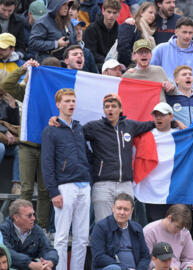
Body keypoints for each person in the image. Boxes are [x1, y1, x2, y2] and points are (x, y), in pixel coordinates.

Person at [1, 58, 59, 231]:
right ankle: (20, 226)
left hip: (47, 146)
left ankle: (40, 229)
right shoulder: (28, 90)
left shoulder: (59, 95)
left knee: (44, 190)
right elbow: (7, 84)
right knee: (26, 189)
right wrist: (23, 68)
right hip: (27, 145)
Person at [80, 93, 156, 222]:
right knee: (103, 225)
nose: (110, 109)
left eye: (114, 106)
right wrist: (91, 158)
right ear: (104, 110)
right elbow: (74, 135)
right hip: (103, 184)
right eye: (107, 106)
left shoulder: (130, 125)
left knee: (124, 225)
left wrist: (174, 122)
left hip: (125, 184)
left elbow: (151, 124)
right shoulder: (94, 127)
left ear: (120, 109)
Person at [41, 88, 90, 270]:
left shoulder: (79, 128)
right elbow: (47, 164)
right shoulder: (50, 131)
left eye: (73, 101)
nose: (71, 104)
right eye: (67, 101)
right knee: (61, 237)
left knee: (82, 238)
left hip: (84, 185)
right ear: (58, 104)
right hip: (64, 187)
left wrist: (88, 173)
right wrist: (53, 192)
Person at [91, 193, 151, 270]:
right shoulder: (101, 227)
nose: (122, 213)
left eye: (126, 209)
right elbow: (99, 257)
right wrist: (125, 268)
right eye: (119, 208)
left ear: (132, 210)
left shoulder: (137, 228)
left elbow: (145, 255)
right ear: (113, 208)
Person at [0, 199, 58, 269]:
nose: (33, 218)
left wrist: (50, 261)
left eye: (33, 214)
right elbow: (7, 253)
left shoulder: (36, 229)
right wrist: (29, 263)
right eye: (29, 215)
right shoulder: (3, 229)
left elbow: (48, 250)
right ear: (16, 217)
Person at [151, 17, 193, 90]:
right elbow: (148, 70)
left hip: (186, 97)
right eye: (184, 32)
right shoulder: (161, 49)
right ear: (176, 32)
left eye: (190, 33)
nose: (187, 36)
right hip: (163, 93)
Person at [143, 204, 193, 270]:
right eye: (177, 227)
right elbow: (145, 261)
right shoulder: (149, 231)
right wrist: (167, 268)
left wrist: (189, 267)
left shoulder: (184, 232)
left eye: (182, 228)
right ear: (169, 218)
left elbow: (191, 259)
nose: (179, 231)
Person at [117, 2, 157, 67]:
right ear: (141, 12)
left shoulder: (151, 32)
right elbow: (123, 49)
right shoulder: (131, 25)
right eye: (150, 12)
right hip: (128, 67)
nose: (153, 16)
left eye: (154, 14)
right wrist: (134, 65)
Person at [84, 0, 120, 71]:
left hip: (115, 64)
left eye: (114, 13)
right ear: (103, 11)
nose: (111, 16)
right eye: (109, 12)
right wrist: (109, 62)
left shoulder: (120, 30)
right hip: (96, 65)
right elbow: (91, 53)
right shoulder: (91, 29)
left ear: (118, 13)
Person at [0, 84, 19, 194]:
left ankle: (17, 185)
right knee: (0, 148)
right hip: (1, 142)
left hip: (8, 142)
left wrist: (12, 105)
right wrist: (4, 131)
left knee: (21, 149)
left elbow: (15, 125)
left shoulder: (7, 101)